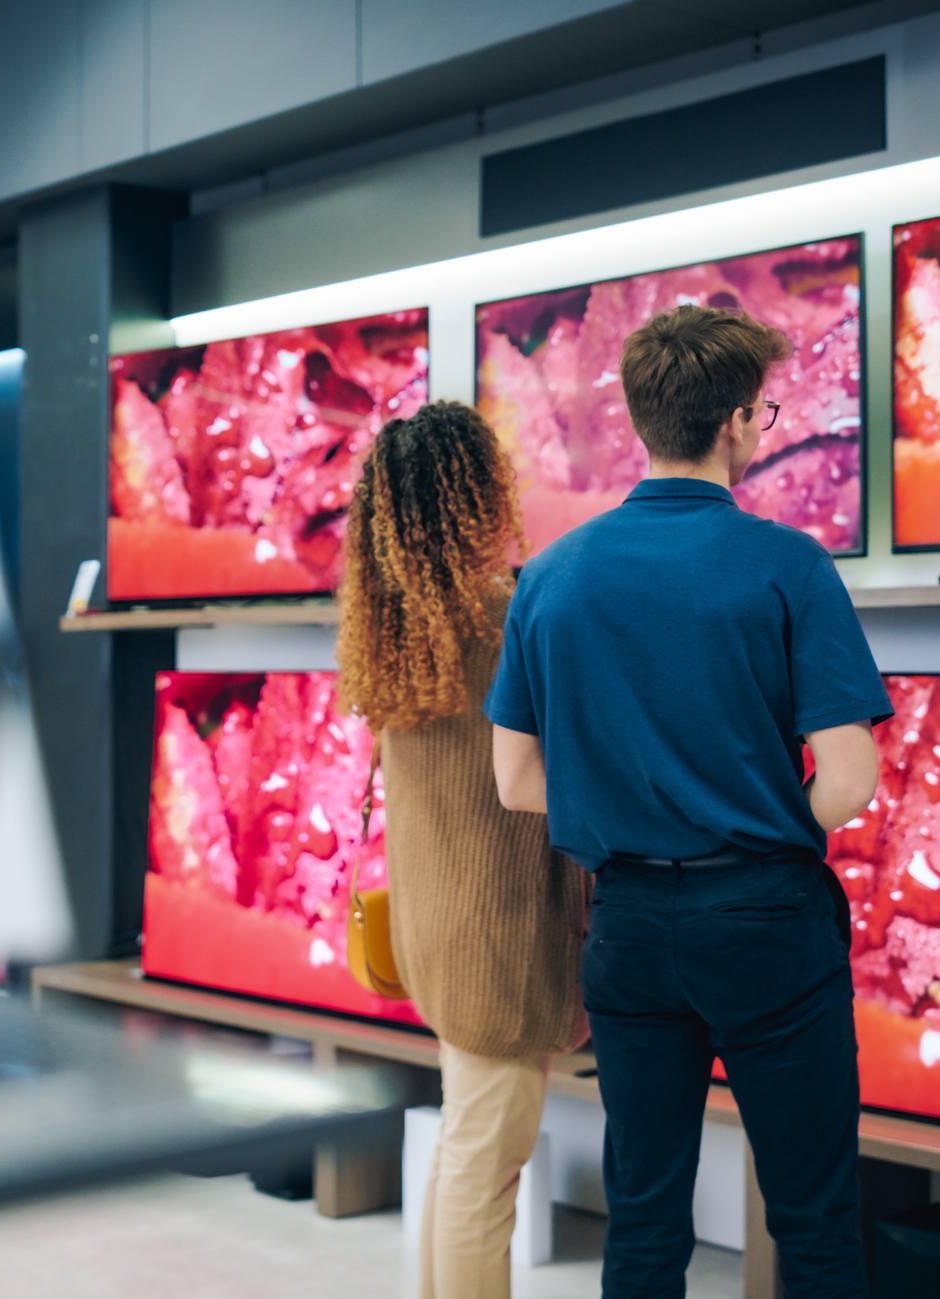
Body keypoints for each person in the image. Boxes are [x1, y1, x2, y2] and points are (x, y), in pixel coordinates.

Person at [484, 306, 889, 1297]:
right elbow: (847, 777)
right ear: (739, 423)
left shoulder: (549, 576)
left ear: (640, 419)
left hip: (623, 927)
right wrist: (755, 820)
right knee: (814, 1220)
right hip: (764, 921)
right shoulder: (786, 564)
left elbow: (515, 781)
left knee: (645, 1217)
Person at [336, 399, 588, 1299]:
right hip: (501, 937)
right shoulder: (510, 620)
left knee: (463, 1153)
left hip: (436, 928)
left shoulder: (400, 630)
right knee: (486, 1168)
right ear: (473, 496)